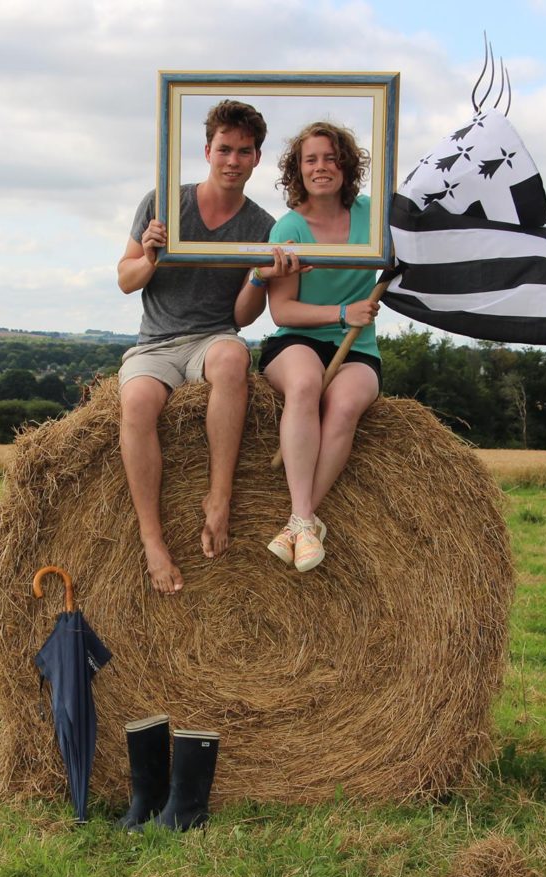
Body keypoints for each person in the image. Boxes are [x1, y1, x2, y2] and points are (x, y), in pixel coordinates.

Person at [117, 99, 295, 595]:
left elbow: (240, 318)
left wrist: (260, 278)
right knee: (135, 402)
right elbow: (126, 279)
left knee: (233, 355)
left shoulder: (264, 226)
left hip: (213, 337)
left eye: (244, 151)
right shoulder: (163, 202)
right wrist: (151, 255)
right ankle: (153, 541)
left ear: (257, 158)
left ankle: (219, 498)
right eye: (224, 149)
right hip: (156, 342)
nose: (232, 160)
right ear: (207, 151)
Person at [256, 121, 381, 573]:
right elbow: (283, 311)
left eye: (330, 157)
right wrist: (343, 313)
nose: (321, 167)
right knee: (306, 384)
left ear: (346, 165)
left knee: (346, 405)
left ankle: (300, 522)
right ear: (298, 170)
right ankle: (305, 518)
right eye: (311, 159)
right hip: (297, 341)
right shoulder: (289, 228)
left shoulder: (373, 215)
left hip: (357, 348)